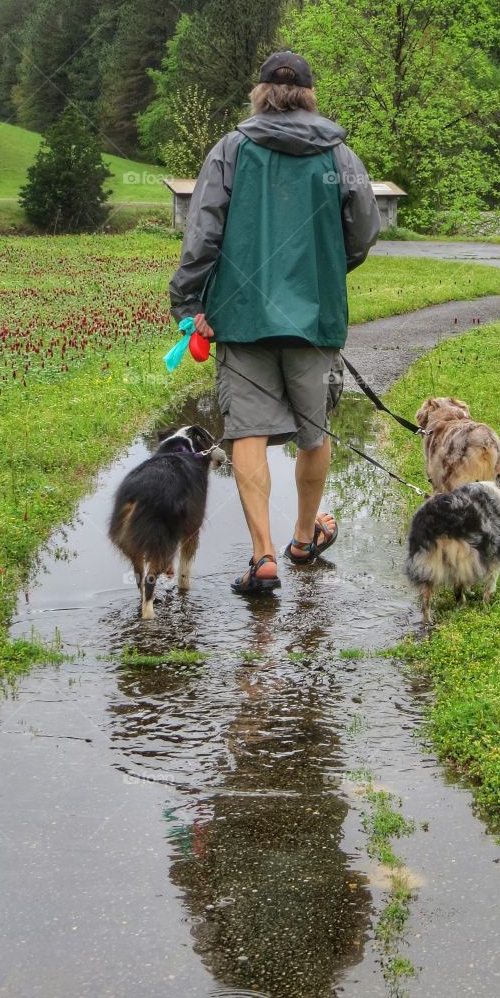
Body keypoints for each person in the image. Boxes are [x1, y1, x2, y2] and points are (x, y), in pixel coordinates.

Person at [169, 51, 380, 595]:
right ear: (310, 95)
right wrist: (326, 271)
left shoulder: (231, 150)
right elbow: (363, 232)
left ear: (259, 93)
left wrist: (188, 303)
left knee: (248, 433)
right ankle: (305, 538)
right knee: (316, 431)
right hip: (314, 318)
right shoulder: (341, 154)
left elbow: (203, 233)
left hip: (241, 317)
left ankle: (263, 556)